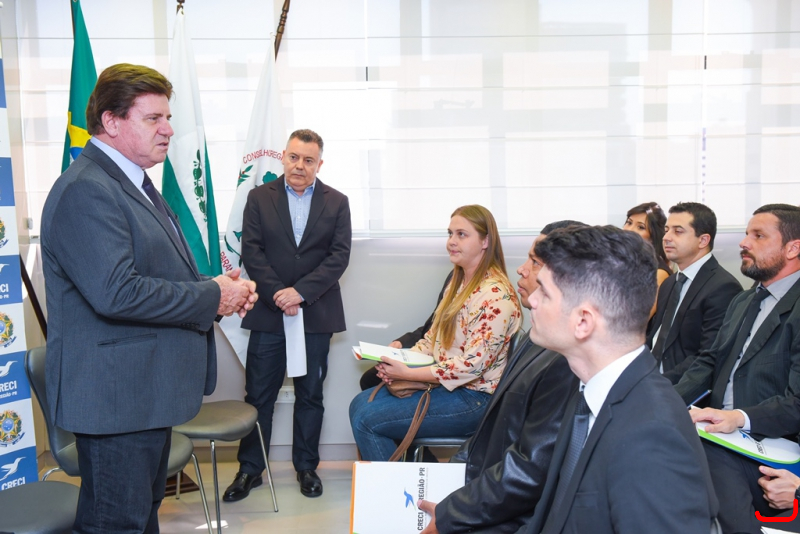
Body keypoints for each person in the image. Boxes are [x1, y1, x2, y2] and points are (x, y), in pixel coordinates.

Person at [40, 63, 258, 533]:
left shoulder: (132, 183)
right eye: (153, 118)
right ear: (112, 122)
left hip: (142, 395)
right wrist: (212, 296)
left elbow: (151, 274)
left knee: (138, 519)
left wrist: (217, 288)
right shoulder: (87, 190)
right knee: (117, 524)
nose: (168, 129)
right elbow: (117, 292)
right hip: (116, 401)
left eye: (168, 118)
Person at [521, 225, 717, 534]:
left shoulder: (651, 438)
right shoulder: (591, 391)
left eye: (544, 292)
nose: (532, 299)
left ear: (583, 321)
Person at [417, 220, 583, 534]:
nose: (522, 269)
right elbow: (493, 428)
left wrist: (455, 511)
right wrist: (457, 473)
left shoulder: (565, 362)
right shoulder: (535, 338)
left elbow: (529, 471)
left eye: (534, 262)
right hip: (483, 488)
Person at [224, 129, 352, 501]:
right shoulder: (258, 198)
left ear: (319, 164)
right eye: (294, 157)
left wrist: (301, 292)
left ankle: (307, 467)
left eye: (308, 160)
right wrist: (280, 294)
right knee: (258, 395)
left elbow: (339, 256)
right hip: (268, 311)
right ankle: (250, 470)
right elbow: (252, 251)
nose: (299, 166)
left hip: (315, 313)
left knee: (310, 395)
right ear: (283, 156)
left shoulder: (337, 202)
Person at [349, 205, 522, 461]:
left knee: (366, 419)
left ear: (485, 241)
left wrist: (407, 373)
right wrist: (398, 361)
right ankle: (411, 477)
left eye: (462, 234)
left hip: (475, 399)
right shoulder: (459, 282)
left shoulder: (494, 295)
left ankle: (398, 487)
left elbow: (471, 366)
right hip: (452, 388)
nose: (452, 241)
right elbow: (433, 339)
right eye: (450, 233)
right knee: (359, 404)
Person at [676, 204, 800, 533]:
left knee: (705, 452)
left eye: (758, 236)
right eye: (746, 234)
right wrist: (661, 404)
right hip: (728, 436)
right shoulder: (743, 301)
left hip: (773, 447)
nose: (744, 243)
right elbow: (708, 363)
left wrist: (737, 417)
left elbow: (798, 404)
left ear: (792, 248)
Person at [647, 202, 742, 383]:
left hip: (679, 385)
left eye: (678, 231)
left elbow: (707, 357)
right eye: (666, 230)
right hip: (650, 375)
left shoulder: (723, 287)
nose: (666, 237)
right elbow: (655, 338)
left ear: (703, 240)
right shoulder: (669, 283)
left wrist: (658, 385)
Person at [359, 271, 453, 391]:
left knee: (370, 388)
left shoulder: (475, 291)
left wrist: (406, 373)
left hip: (447, 363)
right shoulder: (454, 275)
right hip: (430, 350)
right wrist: (403, 342)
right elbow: (434, 326)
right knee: (369, 379)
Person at [623, 201, 672, 287]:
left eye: (641, 227)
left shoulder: (659, 273)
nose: (629, 230)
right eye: (629, 223)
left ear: (653, 237)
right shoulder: (620, 260)